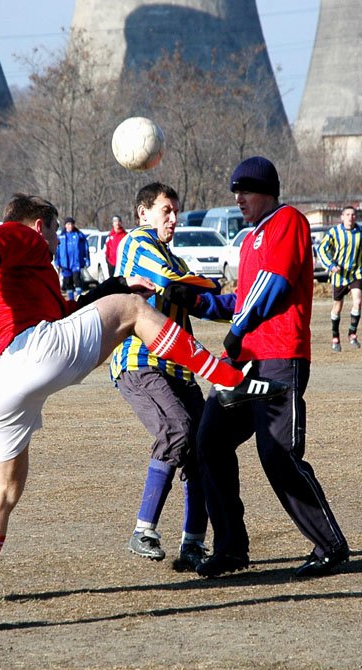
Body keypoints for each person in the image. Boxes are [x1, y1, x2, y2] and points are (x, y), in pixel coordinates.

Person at [0, 192, 289, 631]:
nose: (55, 244)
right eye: (53, 233)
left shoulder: (36, 278)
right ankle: (227, 379)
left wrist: (118, 287)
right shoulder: (23, 235)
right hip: (22, 357)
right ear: (40, 227)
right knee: (133, 313)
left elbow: (73, 314)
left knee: (3, 492)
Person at [192, 156, 349, 579]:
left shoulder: (288, 222)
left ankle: (330, 546)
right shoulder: (250, 239)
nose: (238, 198)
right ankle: (230, 549)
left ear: (267, 191)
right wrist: (196, 301)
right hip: (242, 363)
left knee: (278, 454)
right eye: (235, 191)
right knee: (209, 441)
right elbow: (241, 301)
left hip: (279, 359)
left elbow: (274, 286)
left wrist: (239, 327)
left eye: (245, 190)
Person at [112, 183, 222, 571]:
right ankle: (143, 529)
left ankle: (192, 544)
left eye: (176, 211)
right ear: (143, 213)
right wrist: (204, 288)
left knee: (203, 447)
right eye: (166, 210)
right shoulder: (136, 243)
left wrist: (240, 305)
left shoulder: (172, 258)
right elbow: (176, 286)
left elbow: (200, 297)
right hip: (142, 360)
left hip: (178, 365)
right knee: (177, 428)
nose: (173, 218)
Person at [316, 206, 362, 351]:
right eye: (347, 214)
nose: (350, 217)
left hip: (356, 272)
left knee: (358, 302)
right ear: (342, 217)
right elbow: (321, 249)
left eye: (353, 215)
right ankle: (335, 338)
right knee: (337, 307)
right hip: (339, 274)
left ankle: (352, 334)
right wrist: (331, 265)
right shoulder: (334, 232)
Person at [54, 217, 89, 300]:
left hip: (76, 262)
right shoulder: (61, 236)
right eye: (68, 224)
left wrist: (87, 259)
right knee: (68, 281)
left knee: (77, 279)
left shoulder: (79, 236)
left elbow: (86, 248)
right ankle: (71, 299)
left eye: (71, 224)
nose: (70, 226)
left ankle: (80, 298)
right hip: (65, 263)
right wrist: (57, 261)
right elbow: (57, 250)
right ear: (65, 225)